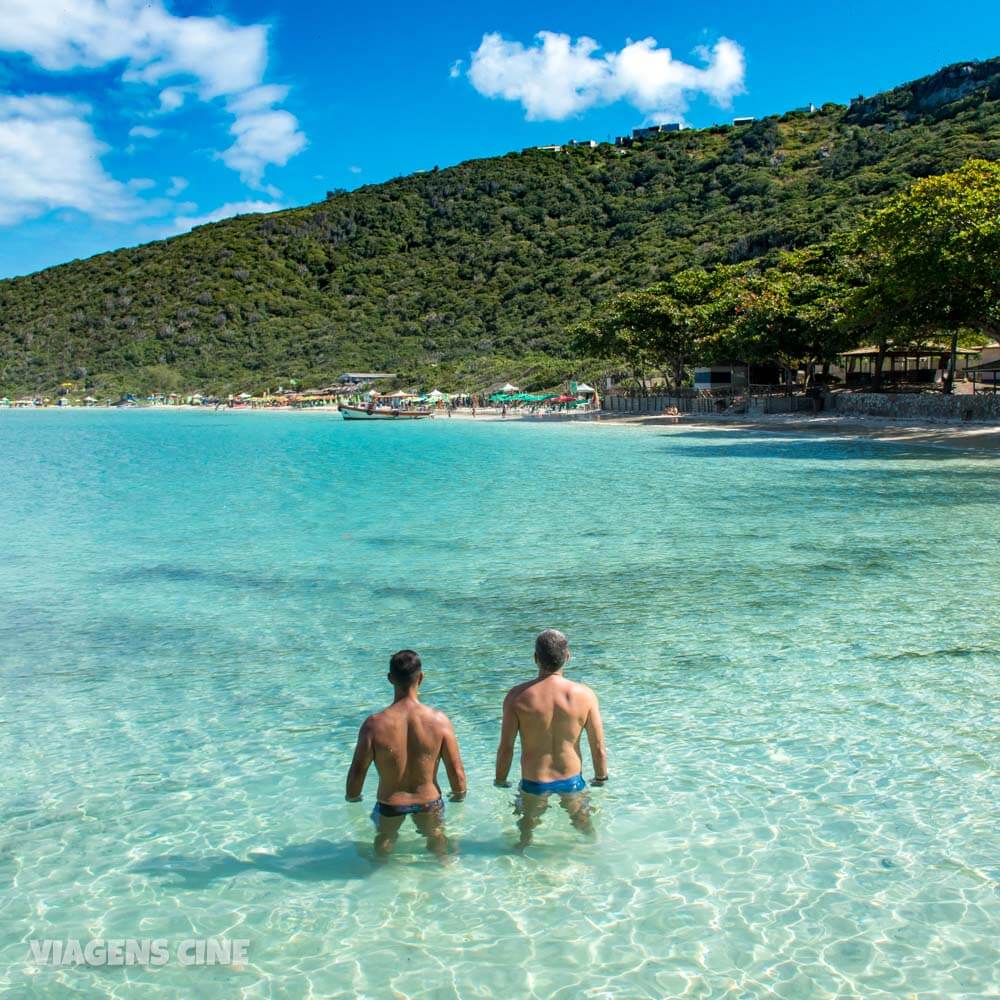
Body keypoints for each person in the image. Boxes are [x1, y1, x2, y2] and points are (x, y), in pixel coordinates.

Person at [346, 650, 467, 857]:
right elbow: (455, 771)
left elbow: (358, 771)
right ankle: (447, 878)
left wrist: (353, 799)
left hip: (391, 803)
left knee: (383, 846)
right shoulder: (439, 721)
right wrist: (459, 796)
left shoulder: (374, 725)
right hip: (428, 802)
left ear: (390, 678)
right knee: (439, 846)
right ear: (421, 677)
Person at [495, 629, 608, 847]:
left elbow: (506, 748)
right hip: (572, 780)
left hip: (534, 781)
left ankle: (519, 867)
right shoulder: (585, 695)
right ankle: (598, 858)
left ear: (535, 658)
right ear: (568, 656)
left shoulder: (517, 696)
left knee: (525, 832)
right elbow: (598, 747)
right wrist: (600, 779)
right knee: (586, 829)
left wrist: (500, 781)